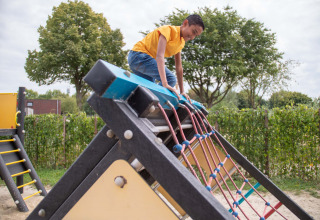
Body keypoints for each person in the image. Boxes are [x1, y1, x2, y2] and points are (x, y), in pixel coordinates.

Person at [128, 14, 205, 100]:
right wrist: (165, 83)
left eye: (196, 36)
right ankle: (152, 102)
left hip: (141, 61)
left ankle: (135, 102)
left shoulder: (181, 42)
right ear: (185, 23)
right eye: (193, 32)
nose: (192, 37)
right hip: (138, 56)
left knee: (149, 88)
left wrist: (182, 91)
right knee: (171, 79)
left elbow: (179, 67)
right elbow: (159, 56)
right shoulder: (168, 30)